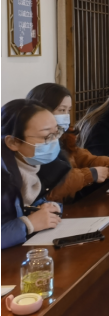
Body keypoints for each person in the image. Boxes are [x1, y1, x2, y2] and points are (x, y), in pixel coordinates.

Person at [26, 83, 109, 202]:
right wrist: (90, 174)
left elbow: (84, 158)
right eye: (61, 110)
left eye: (68, 110)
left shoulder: (63, 137)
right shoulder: (32, 144)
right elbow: (52, 185)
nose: (66, 116)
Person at [1, 100, 64, 248]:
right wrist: (28, 224)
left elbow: (25, 202)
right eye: (46, 136)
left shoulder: (32, 163)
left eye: (57, 132)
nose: (55, 141)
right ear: (13, 142)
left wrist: (46, 208)